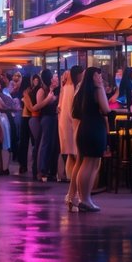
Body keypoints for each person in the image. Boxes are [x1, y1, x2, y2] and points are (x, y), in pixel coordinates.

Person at [72, 67, 112, 212]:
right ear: (93, 76)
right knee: (90, 163)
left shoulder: (82, 91)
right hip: (95, 128)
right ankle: (85, 199)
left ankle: (84, 198)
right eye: (98, 75)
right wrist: (102, 89)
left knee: (87, 162)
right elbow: (106, 109)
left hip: (84, 128)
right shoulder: (97, 90)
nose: (100, 78)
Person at [59, 66, 82, 204]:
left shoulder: (65, 88)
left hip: (65, 124)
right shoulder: (74, 88)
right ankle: (76, 192)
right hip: (72, 125)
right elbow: (71, 110)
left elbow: (60, 107)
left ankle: (73, 192)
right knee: (77, 157)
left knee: (74, 157)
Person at [35, 70, 60, 182]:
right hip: (46, 118)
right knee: (45, 144)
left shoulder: (54, 90)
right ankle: (42, 170)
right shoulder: (41, 90)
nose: (53, 80)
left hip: (54, 118)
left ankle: (51, 170)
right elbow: (38, 106)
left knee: (54, 145)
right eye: (52, 77)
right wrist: (48, 99)